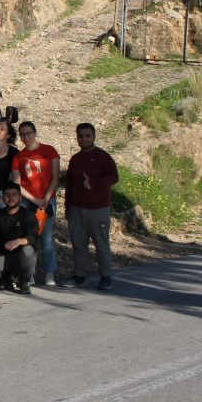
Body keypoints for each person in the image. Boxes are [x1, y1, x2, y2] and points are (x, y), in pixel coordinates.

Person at [61, 123, 119, 290]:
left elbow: (114, 177)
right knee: (79, 245)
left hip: (98, 210)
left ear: (94, 136)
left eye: (87, 135)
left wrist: (94, 183)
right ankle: (79, 276)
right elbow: (69, 185)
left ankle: (106, 276)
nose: (84, 139)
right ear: (77, 137)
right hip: (76, 209)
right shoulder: (75, 159)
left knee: (101, 244)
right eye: (81, 136)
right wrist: (68, 208)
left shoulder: (102, 156)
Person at [11, 121, 60, 285]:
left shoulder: (49, 150)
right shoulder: (18, 157)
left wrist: (45, 199)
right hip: (28, 202)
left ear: (35, 132)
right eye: (23, 134)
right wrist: (34, 199)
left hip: (47, 200)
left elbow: (55, 177)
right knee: (29, 238)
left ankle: (49, 274)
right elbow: (17, 183)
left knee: (46, 239)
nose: (27, 137)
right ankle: (29, 273)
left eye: (29, 133)